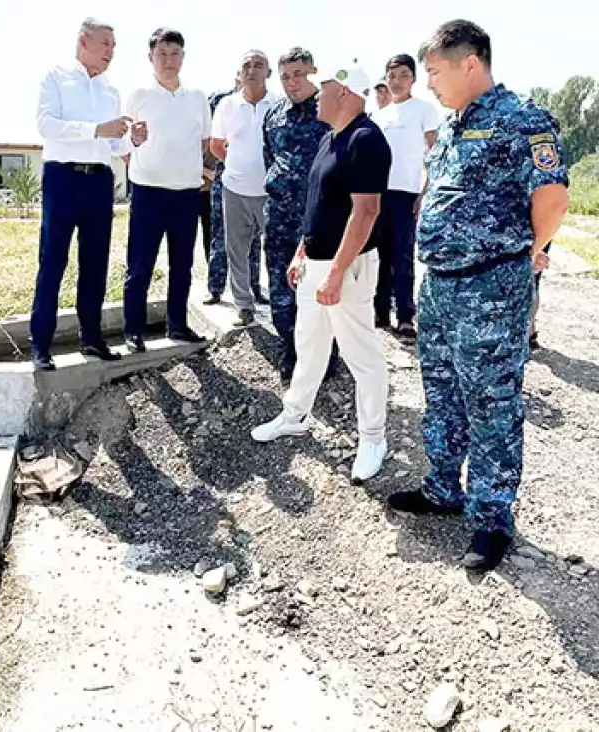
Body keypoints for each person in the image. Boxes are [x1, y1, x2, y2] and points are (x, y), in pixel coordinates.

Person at [386, 20, 569, 572]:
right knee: (441, 393)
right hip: (440, 286)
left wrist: (529, 251)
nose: (429, 84)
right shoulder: (454, 124)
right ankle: (443, 489)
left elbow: (553, 199)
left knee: (491, 403)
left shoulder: (521, 121)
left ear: (471, 64)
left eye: (436, 72)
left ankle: (492, 519)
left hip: (491, 285)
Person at [251, 63, 391, 485]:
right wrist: (301, 253)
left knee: (360, 355)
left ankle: (373, 438)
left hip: (343, 268)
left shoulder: (366, 140)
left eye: (324, 87)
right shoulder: (331, 138)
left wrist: (335, 273)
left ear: (345, 93)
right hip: (315, 263)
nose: (316, 93)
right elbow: (318, 205)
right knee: (308, 343)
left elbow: (366, 213)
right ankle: (295, 414)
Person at [30, 18, 132, 372]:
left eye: (114, 47)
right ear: (83, 41)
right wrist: (96, 129)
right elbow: (46, 125)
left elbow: (115, 143)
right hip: (63, 179)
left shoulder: (110, 91)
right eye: (106, 44)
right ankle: (41, 344)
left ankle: (91, 338)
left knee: (95, 263)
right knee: (53, 261)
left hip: (99, 182)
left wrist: (133, 139)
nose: (111, 52)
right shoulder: (56, 78)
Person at [122, 28, 211, 351]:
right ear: (151, 58)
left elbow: (203, 142)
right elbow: (123, 142)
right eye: (162, 54)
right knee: (140, 265)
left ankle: (178, 325)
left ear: (183, 58)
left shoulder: (197, 98)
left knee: (182, 266)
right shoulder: (138, 95)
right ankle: (133, 331)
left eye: (175, 54)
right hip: (148, 192)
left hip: (186, 194)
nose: (168, 61)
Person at [262, 47, 330, 381]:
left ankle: (325, 354)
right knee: (280, 285)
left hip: (318, 218)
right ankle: (290, 346)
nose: (292, 83)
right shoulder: (273, 114)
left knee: (318, 286)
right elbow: (270, 158)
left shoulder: (330, 109)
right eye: (286, 76)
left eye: (299, 74)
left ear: (314, 71)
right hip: (278, 216)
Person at [370, 54, 441, 338]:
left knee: (402, 256)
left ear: (413, 78)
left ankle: (405, 315)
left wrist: (425, 193)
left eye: (403, 74)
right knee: (378, 256)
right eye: (392, 75)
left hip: (406, 193)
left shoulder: (424, 110)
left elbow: (436, 156)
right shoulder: (378, 115)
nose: (397, 81)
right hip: (377, 193)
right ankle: (380, 312)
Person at [210, 51, 278, 327]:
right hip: (235, 190)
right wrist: (238, 165)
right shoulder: (226, 105)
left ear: (268, 73)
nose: (252, 70)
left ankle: (284, 307)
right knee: (236, 250)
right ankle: (243, 306)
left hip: (270, 193)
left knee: (276, 252)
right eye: (246, 66)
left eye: (258, 65)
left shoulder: (279, 104)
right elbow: (216, 145)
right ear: (239, 74)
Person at [205, 78, 265, 308]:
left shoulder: (272, 103)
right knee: (221, 238)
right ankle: (215, 287)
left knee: (254, 241)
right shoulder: (222, 102)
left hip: (259, 186)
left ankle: (254, 288)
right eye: (244, 71)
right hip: (227, 180)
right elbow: (214, 142)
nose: (248, 76)